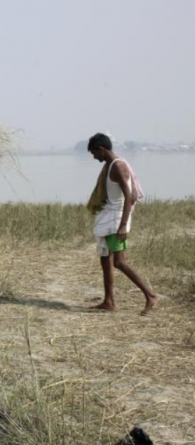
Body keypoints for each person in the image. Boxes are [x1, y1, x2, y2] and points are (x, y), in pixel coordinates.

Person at [85, 133, 158, 315]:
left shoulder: (118, 167)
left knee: (119, 262)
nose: (94, 157)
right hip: (109, 217)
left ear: (101, 149)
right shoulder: (109, 165)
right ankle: (108, 301)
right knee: (105, 259)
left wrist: (123, 225)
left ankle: (150, 296)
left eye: (94, 153)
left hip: (117, 219)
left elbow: (129, 198)